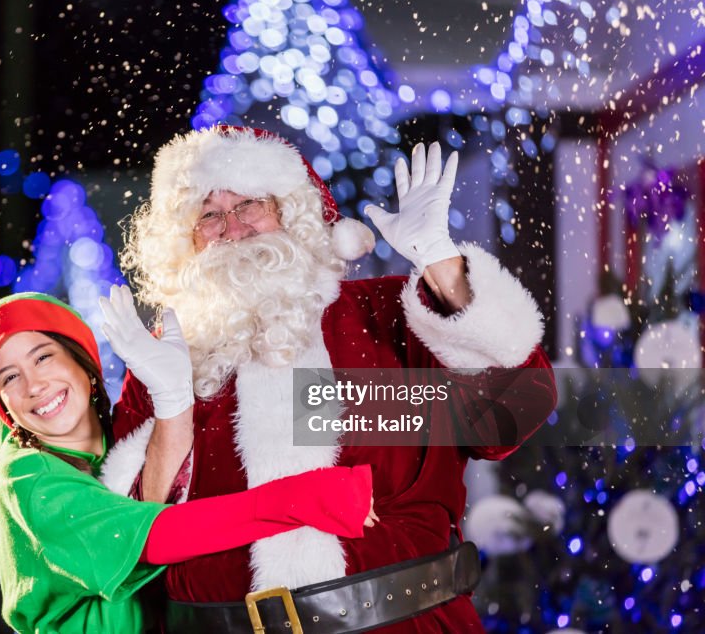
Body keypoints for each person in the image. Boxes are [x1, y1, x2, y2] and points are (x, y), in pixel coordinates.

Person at [101, 126, 558, 632]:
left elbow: (514, 413)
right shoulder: (167, 360)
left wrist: (442, 264)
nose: (232, 228)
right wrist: (171, 407)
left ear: (290, 212)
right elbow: (135, 532)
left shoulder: (390, 314)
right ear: (186, 241)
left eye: (250, 204)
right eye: (208, 215)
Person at [0, 291, 378, 634]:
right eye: (9, 378)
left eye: (42, 357)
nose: (34, 385)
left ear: (84, 366)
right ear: (4, 407)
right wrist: (308, 497)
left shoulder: (118, 437)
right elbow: (159, 537)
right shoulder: (27, 477)